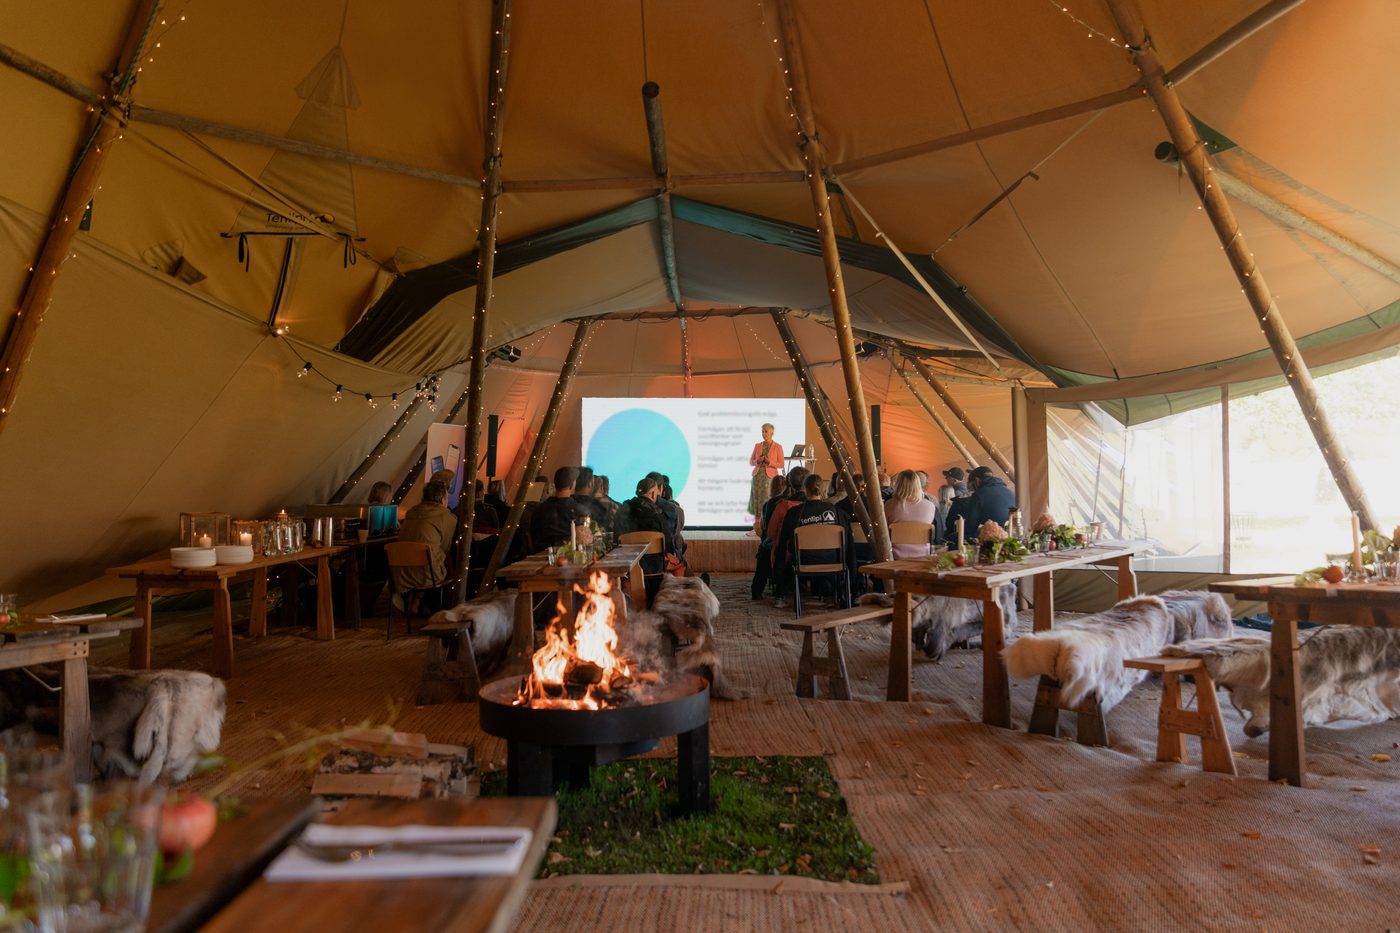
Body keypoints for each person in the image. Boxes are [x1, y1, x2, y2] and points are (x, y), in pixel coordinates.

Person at [777, 472, 855, 608]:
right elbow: (848, 545)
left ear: (805, 489)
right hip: (833, 560)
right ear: (823, 489)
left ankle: (781, 595)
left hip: (803, 561)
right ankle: (838, 594)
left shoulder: (793, 513)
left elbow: (783, 543)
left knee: (788, 561)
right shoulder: (838, 513)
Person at [393, 479, 457, 605]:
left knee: (426, 555)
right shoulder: (447, 517)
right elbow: (445, 548)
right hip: (429, 576)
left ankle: (417, 599)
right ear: (443, 499)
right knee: (447, 560)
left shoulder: (410, 513)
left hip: (400, 575)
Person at [766, 467, 810, 609]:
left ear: (789, 483)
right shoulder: (817, 507)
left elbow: (771, 534)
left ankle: (780, 594)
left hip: (786, 554)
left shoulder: (782, 506)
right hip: (815, 554)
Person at [885, 469, 940, 558]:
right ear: (918, 485)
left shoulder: (890, 504)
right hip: (923, 555)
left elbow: (884, 529)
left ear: (898, 485)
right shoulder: (930, 506)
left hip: (894, 556)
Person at [751, 473, 789, 600]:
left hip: (775, 543)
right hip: (793, 544)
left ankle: (757, 589)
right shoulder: (795, 502)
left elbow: (767, 529)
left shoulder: (770, 504)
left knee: (765, 549)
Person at [530, 466, 583, 550]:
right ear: (572, 485)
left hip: (540, 555)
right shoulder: (577, 509)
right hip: (568, 555)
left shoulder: (539, 509)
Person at [964, 465, 1017, 538]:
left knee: (952, 538)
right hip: (1011, 536)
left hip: (993, 538)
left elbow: (969, 528)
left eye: (972, 486)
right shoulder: (1010, 491)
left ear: (977, 480)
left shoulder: (979, 494)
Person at [748, 423, 782, 519]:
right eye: (762, 431)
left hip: (770, 478)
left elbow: (781, 464)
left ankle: (766, 526)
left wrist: (769, 462)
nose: (763, 433)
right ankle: (756, 527)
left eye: (766, 431)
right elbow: (751, 461)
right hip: (757, 477)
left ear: (772, 433)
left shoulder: (778, 447)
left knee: (767, 501)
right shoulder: (757, 445)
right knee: (757, 501)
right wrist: (757, 461)